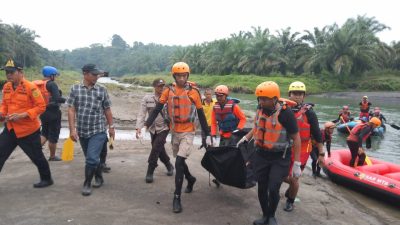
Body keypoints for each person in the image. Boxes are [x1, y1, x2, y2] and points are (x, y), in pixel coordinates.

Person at [144, 62, 210, 213]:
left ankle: (176, 197)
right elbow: (157, 109)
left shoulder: (194, 92)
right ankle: (190, 178)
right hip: (175, 130)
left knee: (179, 161)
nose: (181, 78)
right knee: (180, 161)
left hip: (189, 130)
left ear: (188, 76)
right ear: (174, 76)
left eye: (184, 75)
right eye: (179, 75)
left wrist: (207, 134)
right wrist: (146, 125)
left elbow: (201, 114)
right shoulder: (168, 91)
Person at [237, 81, 301, 225]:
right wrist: (246, 138)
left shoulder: (285, 114)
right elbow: (257, 127)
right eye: (259, 98)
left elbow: (296, 138)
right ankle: (265, 215)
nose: (261, 101)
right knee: (262, 187)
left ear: (274, 99)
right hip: (261, 155)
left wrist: (297, 163)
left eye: (264, 99)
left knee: (273, 188)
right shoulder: (260, 109)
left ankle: (271, 216)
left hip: (280, 157)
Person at [0, 59, 53, 188]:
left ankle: (47, 179)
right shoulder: (6, 87)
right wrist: (2, 114)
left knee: (37, 157)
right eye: (7, 72)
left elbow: (41, 106)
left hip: (28, 131)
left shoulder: (31, 87)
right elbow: (4, 104)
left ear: (20, 72)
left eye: (11, 72)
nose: (8, 75)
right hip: (11, 129)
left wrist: (23, 115)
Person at [67, 64, 115, 196]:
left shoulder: (102, 90)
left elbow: (107, 109)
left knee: (92, 159)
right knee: (91, 158)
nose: (97, 77)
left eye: (97, 74)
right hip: (82, 130)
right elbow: (71, 109)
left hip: (98, 129)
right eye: (94, 74)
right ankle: (99, 176)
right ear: (85, 74)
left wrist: (111, 127)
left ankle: (87, 183)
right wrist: (72, 130)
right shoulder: (75, 89)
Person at [283, 81, 324, 212]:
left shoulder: (310, 113)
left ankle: (290, 201)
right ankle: (291, 189)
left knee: (294, 178)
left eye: (300, 94)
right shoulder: (283, 109)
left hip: (303, 149)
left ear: (304, 96)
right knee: (282, 175)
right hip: (286, 147)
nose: (297, 96)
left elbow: (317, 134)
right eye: (295, 93)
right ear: (289, 94)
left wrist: (321, 154)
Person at [136, 78, 174, 183]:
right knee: (158, 148)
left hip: (164, 127)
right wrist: (139, 128)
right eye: (159, 86)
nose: (161, 88)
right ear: (154, 87)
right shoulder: (147, 98)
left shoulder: (168, 98)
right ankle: (169, 165)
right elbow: (142, 113)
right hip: (152, 128)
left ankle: (150, 171)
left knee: (156, 147)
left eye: (163, 86)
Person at [35, 66, 66, 161]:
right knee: (53, 135)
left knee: (44, 133)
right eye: (55, 75)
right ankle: (52, 156)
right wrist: (67, 100)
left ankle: (34, 152)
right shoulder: (52, 84)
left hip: (43, 112)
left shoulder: (40, 84)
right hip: (53, 113)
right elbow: (57, 99)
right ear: (51, 75)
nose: (55, 77)